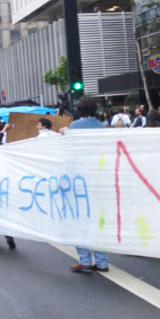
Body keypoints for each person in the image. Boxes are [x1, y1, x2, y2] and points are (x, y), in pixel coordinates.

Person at [67, 97, 109, 273]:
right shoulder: (102, 127)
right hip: (99, 178)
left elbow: (70, 151)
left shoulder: (74, 127)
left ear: (79, 110)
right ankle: (102, 262)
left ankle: (84, 258)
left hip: (80, 179)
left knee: (80, 220)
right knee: (99, 221)